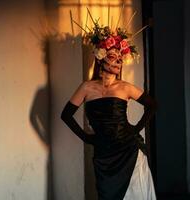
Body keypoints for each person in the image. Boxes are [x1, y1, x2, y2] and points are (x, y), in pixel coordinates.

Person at [60, 16, 157, 199]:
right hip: (104, 153)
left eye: (120, 59)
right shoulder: (86, 87)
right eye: (112, 56)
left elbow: (153, 105)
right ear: (101, 56)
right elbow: (66, 115)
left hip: (129, 150)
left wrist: (136, 129)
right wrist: (87, 137)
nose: (116, 62)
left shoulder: (125, 87)